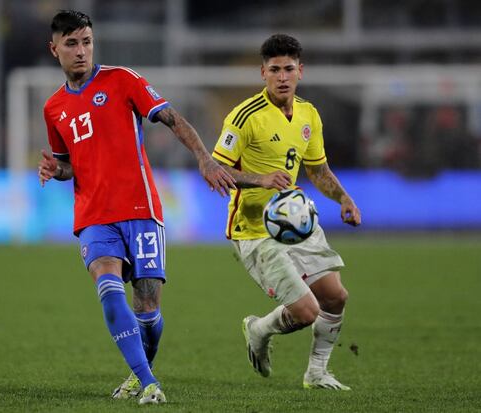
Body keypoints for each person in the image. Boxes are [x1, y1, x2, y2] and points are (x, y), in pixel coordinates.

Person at [37, 10, 235, 405]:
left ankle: (137, 372)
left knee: (147, 308)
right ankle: (148, 382)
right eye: (72, 43)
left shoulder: (122, 80)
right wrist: (56, 170)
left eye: (87, 41)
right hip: (93, 215)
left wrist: (204, 158)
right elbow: (68, 164)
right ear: (54, 48)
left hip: (141, 209)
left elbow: (171, 118)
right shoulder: (53, 108)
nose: (81, 51)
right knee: (109, 290)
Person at [211, 34, 361, 390]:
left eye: (289, 69)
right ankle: (259, 329)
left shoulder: (308, 114)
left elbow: (318, 170)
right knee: (307, 312)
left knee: (335, 297)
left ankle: (317, 373)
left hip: (296, 220)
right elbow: (215, 170)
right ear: (263, 72)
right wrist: (260, 179)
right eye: (275, 69)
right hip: (254, 230)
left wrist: (344, 199)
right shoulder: (244, 117)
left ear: (300, 71)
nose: (282, 77)